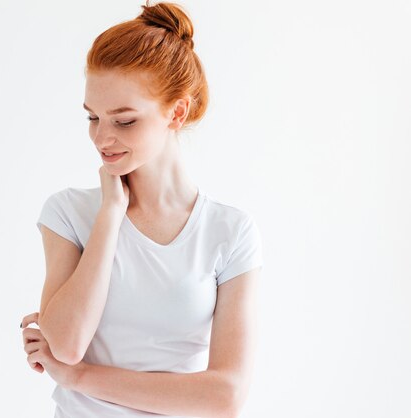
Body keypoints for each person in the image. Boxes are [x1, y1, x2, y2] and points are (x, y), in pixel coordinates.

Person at [20, 2, 264, 417]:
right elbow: (65, 345)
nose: (102, 137)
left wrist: (79, 378)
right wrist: (111, 214)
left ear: (177, 111)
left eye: (125, 121)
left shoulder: (230, 232)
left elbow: (225, 398)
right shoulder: (69, 213)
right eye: (93, 117)